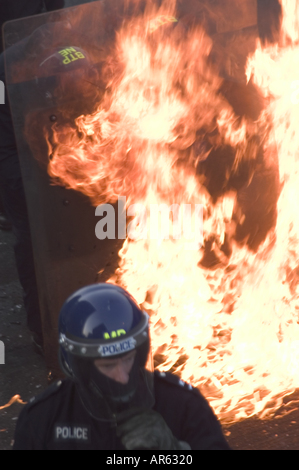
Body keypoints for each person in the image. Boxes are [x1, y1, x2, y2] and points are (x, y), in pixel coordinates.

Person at [13, 283, 231, 450]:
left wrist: (174, 451)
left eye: (128, 360)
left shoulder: (183, 406)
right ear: (76, 367)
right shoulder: (44, 418)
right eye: (107, 366)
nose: (123, 377)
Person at [0, 1, 65, 351]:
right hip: (18, 162)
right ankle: (43, 332)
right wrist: (24, 185)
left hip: (62, 155)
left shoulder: (77, 54)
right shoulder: (6, 72)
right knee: (33, 244)